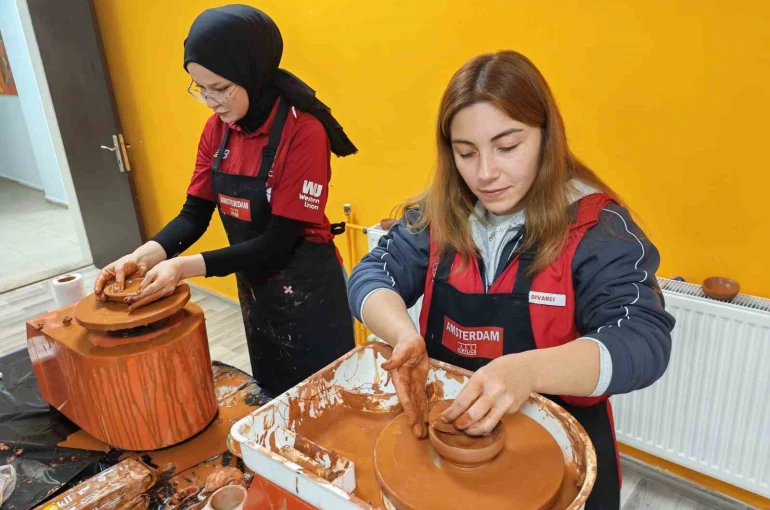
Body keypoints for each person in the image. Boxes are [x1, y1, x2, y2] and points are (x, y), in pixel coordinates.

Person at [348, 51, 675, 508]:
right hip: (452, 444)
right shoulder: (442, 211)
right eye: (466, 153)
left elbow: (644, 340)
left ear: (546, 136)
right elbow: (370, 274)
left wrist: (528, 371)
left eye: (507, 147)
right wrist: (402, 334)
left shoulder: (597, 230)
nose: (485, 173)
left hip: (557, 452)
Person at [94, 5, 357, 396]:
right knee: (273, 397)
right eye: (199, 88)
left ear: (253, 71)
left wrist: (184, 268)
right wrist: (145, 255)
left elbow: (277, 243)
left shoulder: (304, 132)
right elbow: (194, 214)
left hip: (308, 294)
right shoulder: (218, 130)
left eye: (220, 88)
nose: (210, 101)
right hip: (255, 289)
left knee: (326, 405)